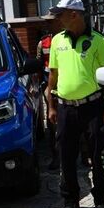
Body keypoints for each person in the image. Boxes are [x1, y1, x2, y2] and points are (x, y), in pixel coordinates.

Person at [46, 0, 104, 208]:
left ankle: (101, 198)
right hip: (65, 109)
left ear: (74, 14)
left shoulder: (99, 41)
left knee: (97, 155)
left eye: (60, 14)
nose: (57, 18)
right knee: (66, 156)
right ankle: (70, 200)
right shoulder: (57, 41)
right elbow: (53, 75)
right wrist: (51, 106)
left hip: (92, 107)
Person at [37, 14, 60, 171]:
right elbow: (39, 65)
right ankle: (56, 156)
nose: (48, 24)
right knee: (53, 123)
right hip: (50, 86)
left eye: (50, 21)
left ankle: (84, 154)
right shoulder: (43, 43)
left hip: (69, 85)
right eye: (47, 22)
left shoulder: (69, 38)